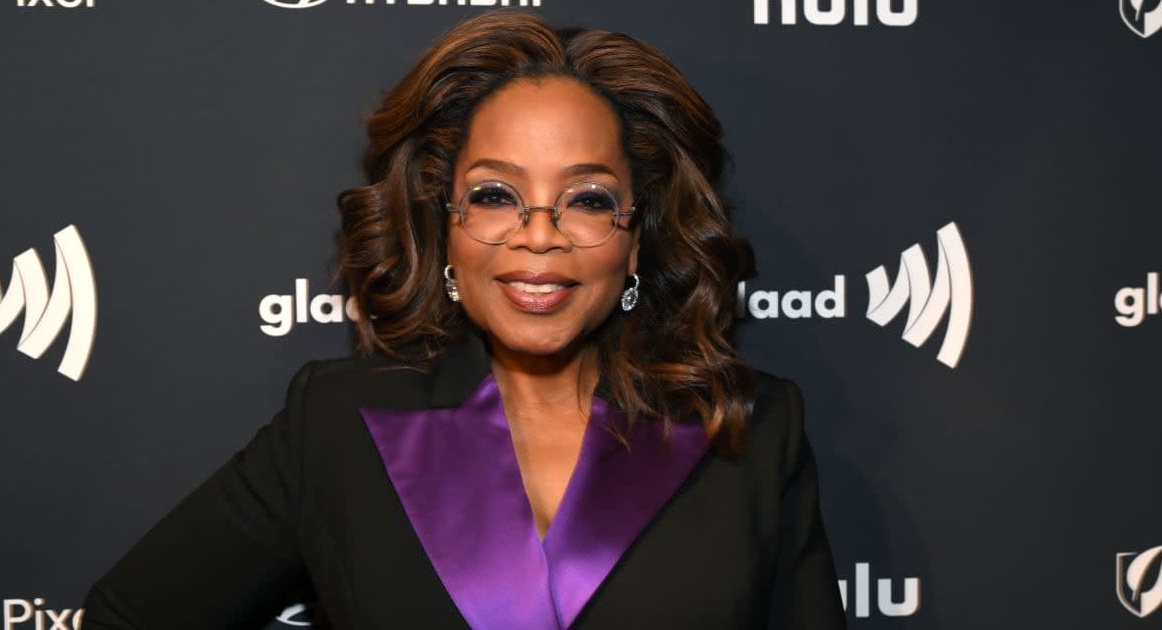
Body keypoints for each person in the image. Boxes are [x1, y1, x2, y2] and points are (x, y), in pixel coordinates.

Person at [81, 9, 846, 629]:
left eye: (587, 198)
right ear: (443, 224)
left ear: (638, 233)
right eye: (494, 195)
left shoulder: (748, 428)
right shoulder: (339, 422)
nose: (538, 234)